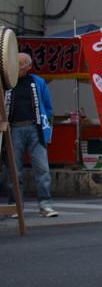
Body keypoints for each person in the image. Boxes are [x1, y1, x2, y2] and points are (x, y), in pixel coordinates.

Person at [3, 53, 56, 217]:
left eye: (21, 64)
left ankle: (45, 205)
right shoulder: (6, 82)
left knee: (42, 169)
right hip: (14, 129)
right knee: (14, 170)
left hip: (35, 128)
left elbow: (47, 107)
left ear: (29, 66)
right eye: (15, 63)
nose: (18, 67)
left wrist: (46, 126)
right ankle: (16, 206)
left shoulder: (38, 82)